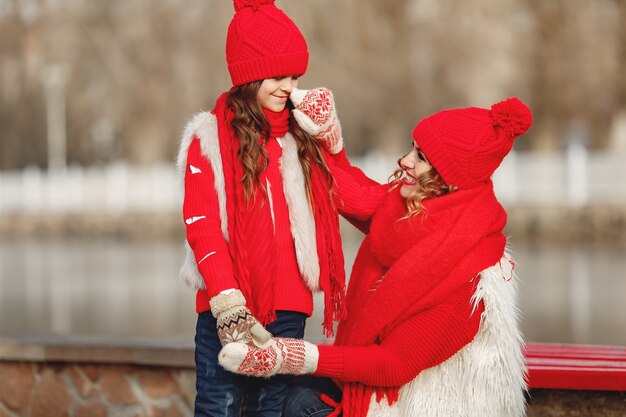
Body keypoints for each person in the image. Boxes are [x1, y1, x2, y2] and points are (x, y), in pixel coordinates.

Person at [218, 90, 531, 417]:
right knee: (279, 398)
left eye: (421, 157)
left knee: (294, 403)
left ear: (451, 180)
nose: (406, 161)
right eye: (412, 147)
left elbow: (393, 364)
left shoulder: (470, 280)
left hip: (404, 404)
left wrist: (292, 355)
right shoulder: (415, 211)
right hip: (367, 382)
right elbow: (352, 194)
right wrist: (329, 138)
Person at [176, 3, 347, 416]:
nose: (288, 86)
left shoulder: (300, 137)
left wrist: (331, 137)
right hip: (227, 306)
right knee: (220, 405)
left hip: (289, 305)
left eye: (294, 76)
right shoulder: (210, 139)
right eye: (277, 76)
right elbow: (201, 226)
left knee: (271, 408)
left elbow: (345, 193)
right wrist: (228, 304)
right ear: (248, 76)